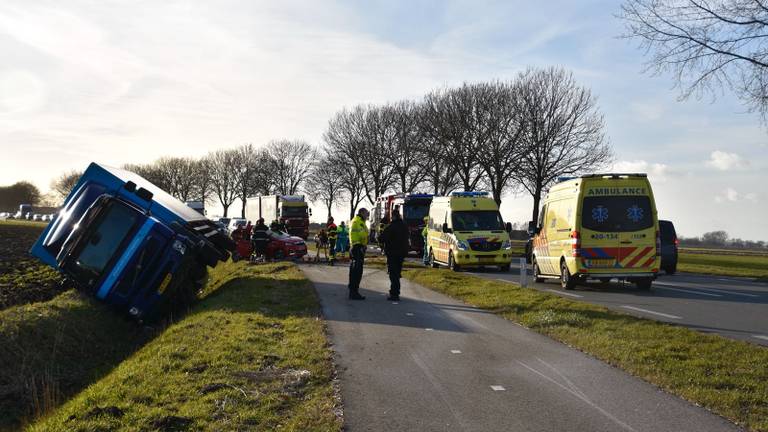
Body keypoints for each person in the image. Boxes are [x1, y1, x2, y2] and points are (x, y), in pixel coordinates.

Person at [379, 210, 409, 301]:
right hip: (402, 253)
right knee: (397, 272)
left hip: (392, 253)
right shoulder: (404, 226)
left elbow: (382, 238)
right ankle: (396, 292)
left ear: (394, 217)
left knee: (393, 274)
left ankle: (394, 293)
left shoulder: (391, 227)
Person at [348, 208, 370, 300]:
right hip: (358, 247)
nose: (367, 216)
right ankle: (354, 292)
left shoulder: (357, 221)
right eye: (366, 214)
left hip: (355, 247)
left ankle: (353, 291)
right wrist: (367, 237)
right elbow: (362, 235)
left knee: (354, 270)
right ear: (361, 213)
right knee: (357, 271)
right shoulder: (359, 222)